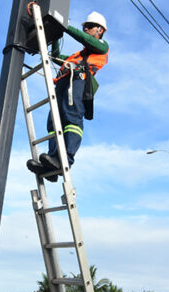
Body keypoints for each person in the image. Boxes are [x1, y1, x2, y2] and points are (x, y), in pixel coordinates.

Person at [27, 11, 109, 182]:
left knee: (71, 118)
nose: (85, 29)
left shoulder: (102, 47)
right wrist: (57, 33)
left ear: (99, 30)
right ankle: (52, 160)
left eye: (89, 27)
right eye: (84, 27)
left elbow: (84, 39)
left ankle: (66, 159)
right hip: (63, 84)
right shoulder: (76, 56)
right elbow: (56, 56)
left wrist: (63, 25)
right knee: (54, 121)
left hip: (77, 82)